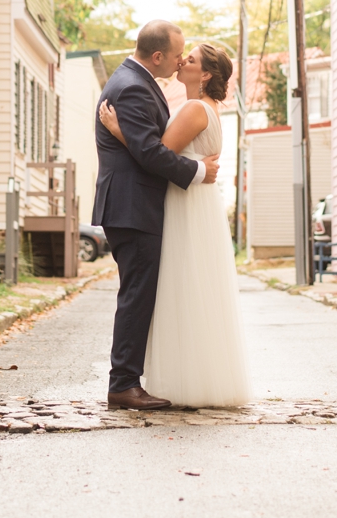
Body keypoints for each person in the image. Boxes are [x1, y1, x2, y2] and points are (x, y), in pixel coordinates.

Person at [99, 41, 250, 408]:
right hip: (191, 202)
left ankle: (135, 380)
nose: (183, 60)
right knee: (186, 291)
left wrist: (121, 132)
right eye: (183, 54)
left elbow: (157, 154)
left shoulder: (194, 108)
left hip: (184, 203)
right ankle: (188, 377)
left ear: (206, 74)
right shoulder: (205, 107)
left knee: (178, 289)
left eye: (192, 59)